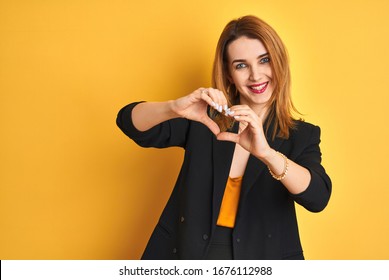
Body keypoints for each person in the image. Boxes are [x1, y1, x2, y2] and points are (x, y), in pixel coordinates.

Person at [116, 15, 332, 260]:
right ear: (229, 74)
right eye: (241, 65)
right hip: (186, 256)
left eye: (264, 60)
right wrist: (173, 107)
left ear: (279, 62)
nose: (255, 75)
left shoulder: (302, 135)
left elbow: (318, 197)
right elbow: (129, 122)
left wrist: (268, 154)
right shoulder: (205, 118)